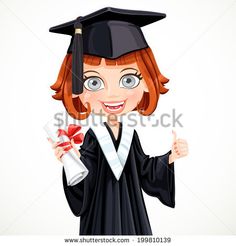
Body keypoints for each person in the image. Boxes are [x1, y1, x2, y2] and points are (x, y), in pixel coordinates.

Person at [48, 7, 188, 235]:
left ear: (147, 82)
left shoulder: (130, 134)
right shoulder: (93, 136)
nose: (112, 95)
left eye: (129, 79)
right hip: (99, 215)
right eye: (93, 82)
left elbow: (144, 170)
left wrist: (170, 157)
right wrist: (69, 160)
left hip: (132, 212)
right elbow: (85, 180)